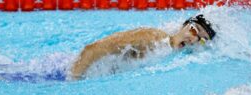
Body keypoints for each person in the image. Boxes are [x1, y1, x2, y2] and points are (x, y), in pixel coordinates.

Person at [70, 14, 216, 79]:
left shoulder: (173, 55)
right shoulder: (153, 37)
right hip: (69, 72)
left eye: (201, 40)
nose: (193, 39)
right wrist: (74, 80)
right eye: (194, 30)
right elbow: (92, 49)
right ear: (184, 25)